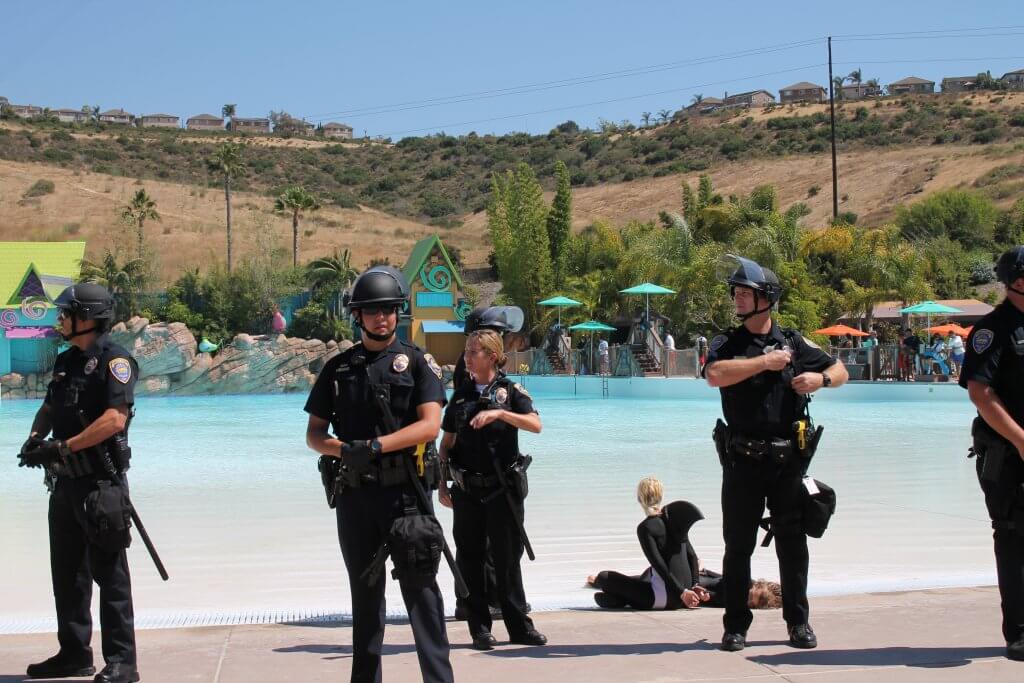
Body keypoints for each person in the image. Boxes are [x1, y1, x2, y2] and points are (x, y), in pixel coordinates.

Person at [303, 265, 454, 683]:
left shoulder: (419, 363)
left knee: (423, 597)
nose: (381, 317)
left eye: (388, 309)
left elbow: (430, 426)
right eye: (372, 310)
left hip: (407, 498)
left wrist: (374, 446)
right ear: (358, 315)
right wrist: (344, 451)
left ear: (398, 312)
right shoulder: (338, 369)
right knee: (365, 602)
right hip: (356, 498)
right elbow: (315, 435)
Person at [703, 255, 848, 652]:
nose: (738, 298)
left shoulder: (796, 343)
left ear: (767, 298)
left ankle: (798, 623)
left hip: (788, 463)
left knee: (793, 545)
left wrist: (820, 378)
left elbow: (841, 371)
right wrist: (764, 362)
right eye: (737, 292)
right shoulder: (726, 344)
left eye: (746, 293)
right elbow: (714, 374)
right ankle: (735, 626)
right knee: (738, 547)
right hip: (742, 462)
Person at [17, 283, 141, 683]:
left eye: (66, 313)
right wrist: (36, 439)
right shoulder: (66, 361)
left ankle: (123, 662)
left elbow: (114, 419)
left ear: (86, 317)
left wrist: (63, 448)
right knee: (68, 573)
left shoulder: (114, 361)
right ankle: (74, 653)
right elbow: (49, 406)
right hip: (65, 484)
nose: (60, 319)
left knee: (111, 576)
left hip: (101, 484)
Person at [437, 329, 547, 651]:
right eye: (467, 351)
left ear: (493, 356)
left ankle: (519, 626)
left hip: (503, 491)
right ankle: (479, 629)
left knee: (507, 560)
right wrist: (442, 484)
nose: (467, 357)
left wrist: (500, 413)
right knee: (470, 560)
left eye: (474, 351)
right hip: (467, 491)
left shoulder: (511, 391)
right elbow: (445, 445)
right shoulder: (460, 397)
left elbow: (536, 425)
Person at [960, 245, 1024, 662]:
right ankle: (1018, 631)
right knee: (1014, 537)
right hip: (1008, 453)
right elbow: (980, 393)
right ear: (1016, 281)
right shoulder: (993, 330)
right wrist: (1021, 439)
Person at [450, 305, 526, 622]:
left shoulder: (500, 383)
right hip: (476, 479)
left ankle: (492, 605)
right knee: (479, 551)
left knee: (495, 549)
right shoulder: (469, 377)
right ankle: (479, 604)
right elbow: (452, 433)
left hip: (496, 481)